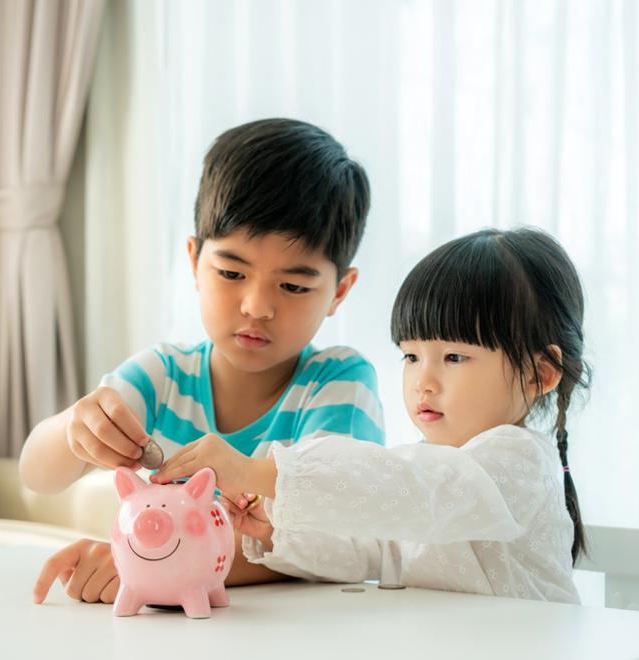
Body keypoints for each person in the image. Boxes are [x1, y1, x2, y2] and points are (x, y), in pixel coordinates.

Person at [25, 118, 387, 604]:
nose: (257, 305)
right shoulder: (162, 376)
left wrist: (162, 565)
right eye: (232, 271)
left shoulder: (341, 382)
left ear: (339, 291)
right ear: (194, 261)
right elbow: (37, 475)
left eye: (295, 286)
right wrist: (76, 428)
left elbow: (334, 537)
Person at [152, 227, 590, 603]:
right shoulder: (427, 469)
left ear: (539, 373)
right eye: (412, 357)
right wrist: (275, 532)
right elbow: (365, 549)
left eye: (454, 357)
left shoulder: (518, 463)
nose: (424, 381)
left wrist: (256, 472)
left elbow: (413, 488)